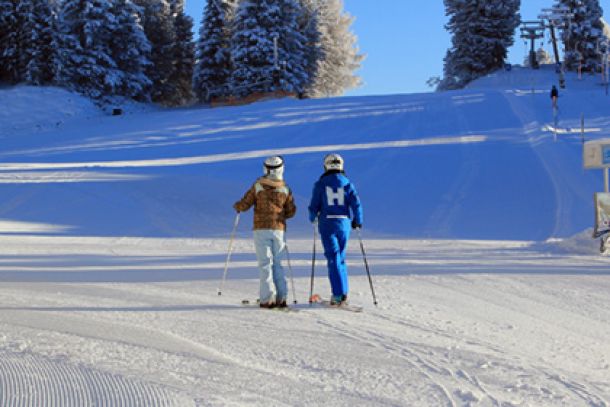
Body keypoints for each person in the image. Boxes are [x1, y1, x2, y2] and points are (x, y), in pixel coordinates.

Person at [233, 156, 296, 308]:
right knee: (278, 263)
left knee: (265, 263)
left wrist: (238, 207)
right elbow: (291, 211)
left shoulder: (258, 186)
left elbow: (245, 203)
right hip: (278, 229)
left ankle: (268, 298)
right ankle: (281, 298)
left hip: (261, 229)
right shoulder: (285, 188)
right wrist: (280, 215)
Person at [308, 153, 363, 306]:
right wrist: (358, 220)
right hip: (344, 223)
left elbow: (314, 206)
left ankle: (338, 294)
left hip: (328, 223)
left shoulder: (320, 184)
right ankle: (343, 292)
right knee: (341, 258)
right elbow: (356, 204)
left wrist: (312, 217)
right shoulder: (347, 183)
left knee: (333, 258)